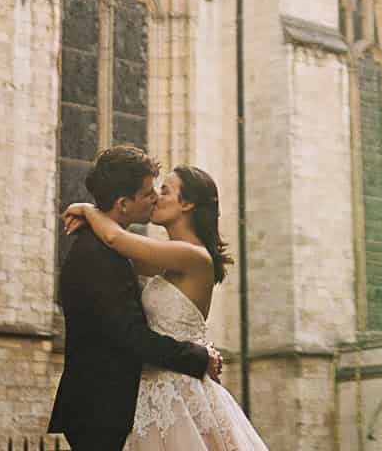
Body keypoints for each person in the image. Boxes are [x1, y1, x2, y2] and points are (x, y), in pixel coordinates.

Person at [62, 162, 270, 451]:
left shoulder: (193, 256)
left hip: (179, 387)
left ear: (187, 205)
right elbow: (115, 248)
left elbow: (114, 237)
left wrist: (88, 210)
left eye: (165, 190)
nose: (155, 197)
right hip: (151, 386)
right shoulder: (162, 258)